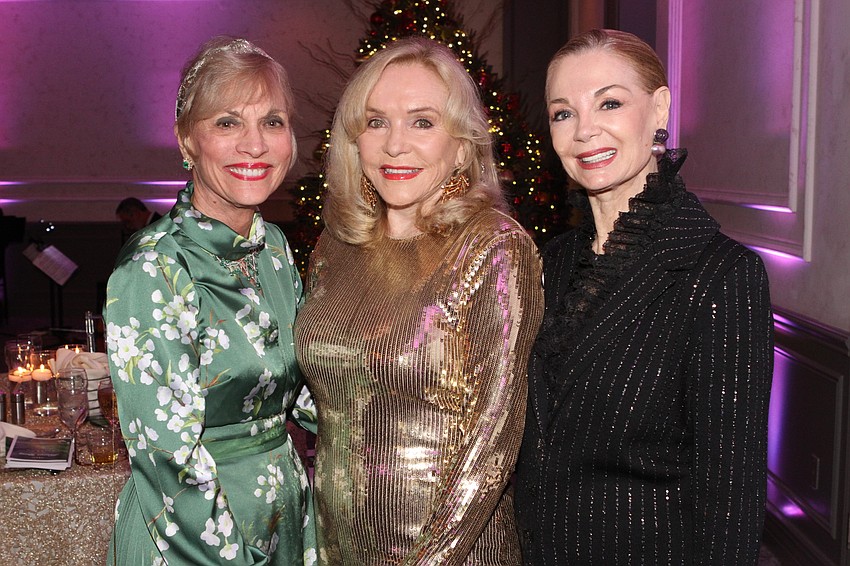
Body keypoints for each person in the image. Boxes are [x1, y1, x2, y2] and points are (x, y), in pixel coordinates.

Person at [514, 29, 774, 565]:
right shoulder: (551, 261)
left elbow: (731, 501)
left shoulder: (720, 274)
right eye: (563, 113)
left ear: (659, 109)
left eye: (609, 103)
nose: (585, 130)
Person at [294, 37, 544, 565]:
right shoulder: (336, 246)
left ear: (462, 146)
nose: (394, 145)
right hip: (339, 545)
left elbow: (491, 446)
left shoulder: (493, 246)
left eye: (422, 122)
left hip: (453, 553)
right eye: (376, 122)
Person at [104, 37, 317, 565]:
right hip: (192, 537)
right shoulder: (154, 267)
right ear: (186, 140)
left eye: (272, 122)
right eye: (227, 122)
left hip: (282, 514)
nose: (255, 145)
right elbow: (167, 458)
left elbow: (305, 392)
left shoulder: (274, 248)